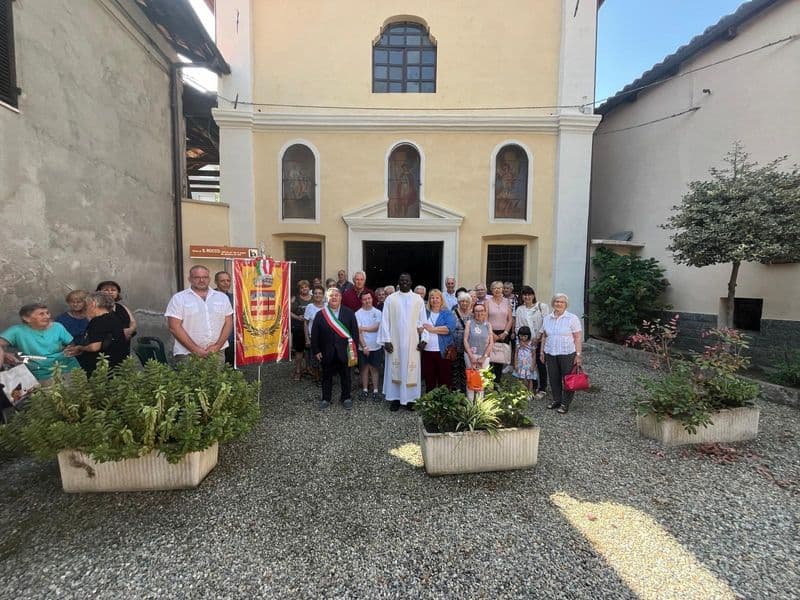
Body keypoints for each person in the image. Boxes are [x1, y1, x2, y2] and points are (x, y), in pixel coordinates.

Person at [378, 272, 426, 412]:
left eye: (407, 280)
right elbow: (385, 321)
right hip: (395, 341)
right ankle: (395, 399)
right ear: (398, 282)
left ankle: (411, 400)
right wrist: (386, 340)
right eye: (402, 280)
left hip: (413, 342)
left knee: (411, 370)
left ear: (411, 282)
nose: (404, 282)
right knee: (395, 369)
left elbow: (423, 321)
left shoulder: (418, 299)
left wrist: (424, 339)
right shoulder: (391, 299)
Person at [165, 265, 233, 362]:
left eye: (205, 277)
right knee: (191, 378)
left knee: (217, 377)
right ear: (190, 279)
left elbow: (228, 323)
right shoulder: (179, 298)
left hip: (217, 352)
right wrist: (195, 349)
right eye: (197, 277)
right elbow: (174, 327)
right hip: (188, 354)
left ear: (209, 279)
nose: (201, 280)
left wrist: (217, 346)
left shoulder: (222, 297)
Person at [0, 303, 79, 382]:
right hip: (41, 373)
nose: (47, 316)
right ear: (26, 318)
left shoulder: (57, 327)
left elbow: (71, 344)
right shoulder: (17, 331)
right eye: (41, 314)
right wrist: (5, 354)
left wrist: (72, 350)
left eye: (47, 313)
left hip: (68, 368)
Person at [311, 287, 359, 410]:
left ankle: (346, 397)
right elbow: (315, 334)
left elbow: (355, 333)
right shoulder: (321, 314)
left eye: (336, 295)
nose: (334, 298)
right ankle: (326, 398)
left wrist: (353, 350)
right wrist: (316, 350)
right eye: (331, 296)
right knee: (326, 377)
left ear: (340, 298)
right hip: (327, 352)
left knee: (346, 376)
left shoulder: (349, 313)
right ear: (327, 298)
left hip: (345, 351)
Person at [540, 293, 583, 414]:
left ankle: (565, 403)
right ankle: (557, 400)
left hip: (567, 353)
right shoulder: (547, 318)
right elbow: (544, 336)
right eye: (557, 301)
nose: (559, 304)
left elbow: (578, 337)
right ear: (553, 303)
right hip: (550, 352)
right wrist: (541, 352)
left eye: (561, 302)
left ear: (566, 304)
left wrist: (578, 354)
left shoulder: (572, 318)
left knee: (568, 379)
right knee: (554, 378)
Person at [72, 292, 128, 375]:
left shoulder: (98, 321)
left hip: (101, 369)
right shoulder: (114, 317)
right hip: (116, 365)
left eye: (87, 305)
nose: (86, 308)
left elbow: (94, 347)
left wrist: (81, 348)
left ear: (93, 304)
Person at [515, 286, 550, 398]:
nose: (527, 297)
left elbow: (546, 323)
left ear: (533, 295)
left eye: (529, 294)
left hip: (540, 341)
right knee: (529, 364)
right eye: (524, 295)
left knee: (540, 363)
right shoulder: (520, 309)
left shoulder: (542, 307)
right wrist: (520, 341)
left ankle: (542, 388)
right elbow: (518, 326)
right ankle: (532, 386)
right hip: (526, 342)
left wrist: (538, 337)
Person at [420, 289, 456, 392]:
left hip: (443, 351)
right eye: (432, 297)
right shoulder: (425, 313)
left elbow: (449, 329)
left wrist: (432, 329)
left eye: (437, 297)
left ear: (441, 299)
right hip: (427, 350)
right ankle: (430, 403)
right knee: (429, 378)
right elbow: (419, 327)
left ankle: (443, 402)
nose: (434, 300)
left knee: (444, 379)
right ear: (429, 300)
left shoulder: (447, 313)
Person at [96, 281, 137, 356]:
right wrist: (120, 333)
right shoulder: (95, 308)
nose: (110, 292)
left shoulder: (122, 307)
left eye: (113, 290)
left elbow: (133, 322)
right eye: (106, 290)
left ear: (118, 293)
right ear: (99, 292)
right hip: (104, 350)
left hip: (123, 347)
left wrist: (130, 330)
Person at [355, 291, 383, 402]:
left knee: (375, 369)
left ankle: (376, 390)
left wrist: (363, 328)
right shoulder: (357, 314)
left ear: (372, 299)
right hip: (363, 347)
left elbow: (377, 327)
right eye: (365, 299)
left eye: (369, 298)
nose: (367, 301)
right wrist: (364, 346)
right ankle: (365, 390)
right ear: (361, 300)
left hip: (376, 346)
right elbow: (358, 332)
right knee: (364, 369)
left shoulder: (378, 312)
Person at [463, 303, 493, 401]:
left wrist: (483, 357)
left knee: (481, 379)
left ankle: (480, 404)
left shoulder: (488, 325)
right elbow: (465, 340)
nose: (479, 313)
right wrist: (471, 356)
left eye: (481, 311)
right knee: (471, 378)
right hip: (470, 355)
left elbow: (491, 342)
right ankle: (470, 403)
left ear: (485, 312)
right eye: (477, 311)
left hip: (484, 356)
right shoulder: (469, 323)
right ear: (473, 312)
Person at [486, 281, 513, 382]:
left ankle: (497, 383)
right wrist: (491, 334)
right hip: (490, 332)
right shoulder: (487, 302)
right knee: (489, 358)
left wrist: (505, 332)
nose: (497, 290)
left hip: (503, 333)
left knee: (499, 359)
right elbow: (485, 319)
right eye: (495, 288)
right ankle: (488, 382)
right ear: (492, 290)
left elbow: (510, 319)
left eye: (499, 288)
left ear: (502, 289)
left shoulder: (507, 302)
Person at [450, 291, 473, 393]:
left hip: (468, 344)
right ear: (458, 302)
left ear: (470, 303)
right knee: (455, 366)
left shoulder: (473, 314)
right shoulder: (453, 313)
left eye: (466, 301)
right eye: (462, 301)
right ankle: (455, 388)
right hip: (455, 343)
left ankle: (465, 389)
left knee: (465, 366)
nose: (464, 303)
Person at [290, 280, 313, 380]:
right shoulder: (295, 299)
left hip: (311, 329)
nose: (304, 289)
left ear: (309, 288)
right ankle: (298, 370)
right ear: (299, 289)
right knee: (299, 351)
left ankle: (308, 368)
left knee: (309, 350)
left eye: (306, 287)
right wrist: (297, 317)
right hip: (299, 328)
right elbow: (288, 311)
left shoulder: (313, 298)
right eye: (302, 287)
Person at [304, 284, 326, 383]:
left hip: (326, 338)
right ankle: (317, 378)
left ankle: (326, 378)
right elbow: (305, 323)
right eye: (316, 293)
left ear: (323, 295)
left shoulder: (327, 306)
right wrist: (307, 339)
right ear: (313, 295)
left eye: (320, 293)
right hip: (314, 338)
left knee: (326, 358)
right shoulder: (310, 307)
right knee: (315, 359)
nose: (318, 295)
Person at [214, 271, 235, 365]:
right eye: (222, 281)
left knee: (230, 367)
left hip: (231, 339)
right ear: (216, 282)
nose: (226, 283)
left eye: (228, 280)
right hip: (216, 340)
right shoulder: (210, 297)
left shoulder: (233, 298)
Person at [512, 325, 537, 396]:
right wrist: (515, 364)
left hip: (529, 364)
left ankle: (530, 393)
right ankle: (521, 392)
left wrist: (533, 365)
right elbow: (516, 353)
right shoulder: (518, 342)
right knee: (520, 378)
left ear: (528, 336)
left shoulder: (531, 343)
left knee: (529, 379)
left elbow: (534, 354)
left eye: (525, 336)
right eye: (521, 336)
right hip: (520, 364)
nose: (522, 338)